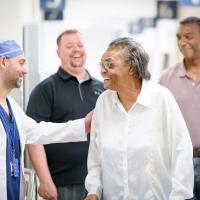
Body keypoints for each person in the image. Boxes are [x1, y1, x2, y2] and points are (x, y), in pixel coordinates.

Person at [84, 37, 194, 200]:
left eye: (110, 64)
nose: (102, 70)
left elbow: (181, 150)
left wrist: (179, 195)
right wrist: (93, 191)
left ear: (131, 68)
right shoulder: (103, 102)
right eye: (102, 64)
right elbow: (95, 158)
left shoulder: (161, 98)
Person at [0, 39, 93, 200]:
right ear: (3, 62)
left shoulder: (12, 106)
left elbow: (38, 132)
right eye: (21, 63)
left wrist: (83, 125)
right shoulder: (46, 89)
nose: (26, 70)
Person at [26, 29, 104, 200]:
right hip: (62, 184)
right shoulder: (45, 90)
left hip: (99, 182)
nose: (76, 50)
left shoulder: (102, 89)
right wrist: (45, 181)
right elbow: (33, 138)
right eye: (69, 46)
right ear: (58, 52)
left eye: (80, 45)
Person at [159, 16, 200, 200]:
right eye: (179, 37)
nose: (182, 42)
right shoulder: (166, 78)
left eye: (188, 36)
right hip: (181, 165)